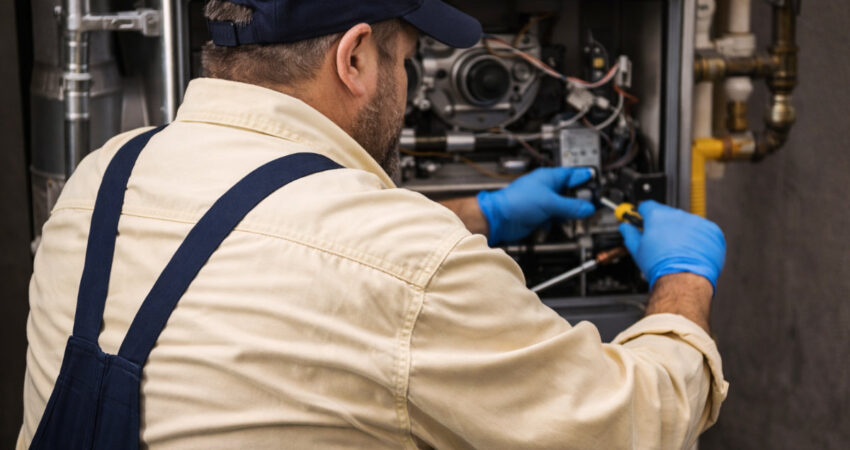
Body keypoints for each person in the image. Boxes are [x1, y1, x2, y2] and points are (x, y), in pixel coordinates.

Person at [18, 0, 728, 448]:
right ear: (354, 57)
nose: (410, 82)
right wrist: (683, 281)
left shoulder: (98, 180)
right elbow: (638, 423)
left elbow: (259, 237)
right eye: (407, 59)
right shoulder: (408, 265)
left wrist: (486, 214)